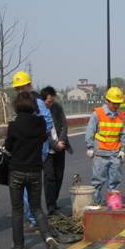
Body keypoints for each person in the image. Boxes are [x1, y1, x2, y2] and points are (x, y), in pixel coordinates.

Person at [5, 92, 59, 249]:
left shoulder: (14, 125)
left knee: (17, 209)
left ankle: (19, 245)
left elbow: (8, 147)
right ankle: (48, 237)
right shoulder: (40, 122)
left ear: (17, 106)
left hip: (17, 171)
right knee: (37, 207)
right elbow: (43, 139)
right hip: (35, 170)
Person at [11, 71, 56, 229]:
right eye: (16, 89)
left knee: (30, 184)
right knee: (25, 185)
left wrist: (35, 136)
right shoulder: (21, 102)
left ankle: (34, 216)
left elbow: (48, 124)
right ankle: (33, 217)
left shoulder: (37, 101)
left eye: (20, 87)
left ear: (28, 85)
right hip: (26, 148)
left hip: (37, 148)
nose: (18, 91)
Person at [85, 87, 125, 204]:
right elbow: (90, 131)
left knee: (114, 182)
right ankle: (96, 204)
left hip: (115, 153)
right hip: (100, 152)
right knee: (97, 182)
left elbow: (124, 134)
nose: (116, 106)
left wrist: (123, 149)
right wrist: (89, 147)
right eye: (114, 103)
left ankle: (112, 205)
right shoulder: (97, 114)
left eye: (118, 103)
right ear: (107, 101)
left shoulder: (121, 117)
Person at [40, 86, 70, 215]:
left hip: (60, 147)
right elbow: (42, 133)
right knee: (49, 178)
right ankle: (50, 206)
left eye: (52, 101)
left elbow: (64, 124)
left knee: (59, 176)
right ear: (43, 100)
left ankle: (55, 201)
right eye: (48, 102)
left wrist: (61, 141)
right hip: (47, 149)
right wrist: (54, 145)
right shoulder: (39, 111)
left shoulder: (57, 107)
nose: (50, 104)